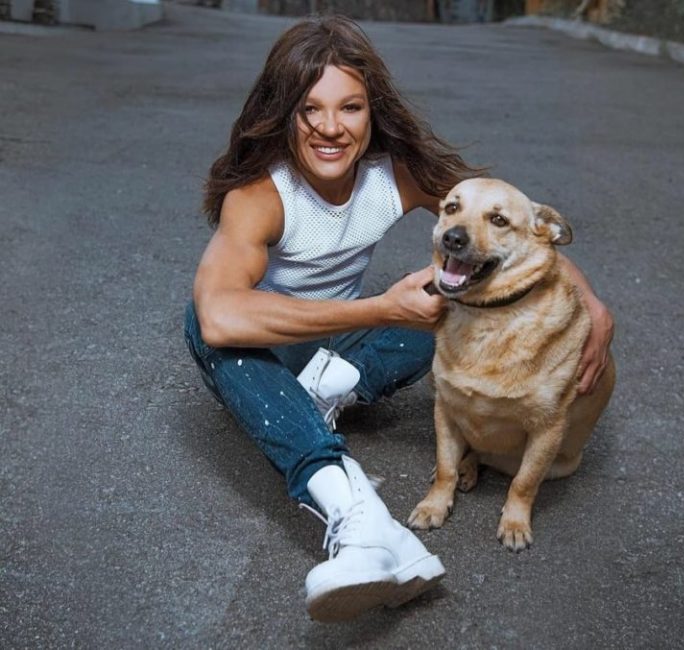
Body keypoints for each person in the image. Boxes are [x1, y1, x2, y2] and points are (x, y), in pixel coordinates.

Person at [184, 14, 614, 622]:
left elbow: (505, 232)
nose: (331, 127)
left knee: (455, 296)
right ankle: (357, 518)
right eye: (310, 109)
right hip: (269, 343)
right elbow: (220, 316)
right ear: (283, 113)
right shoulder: (259, 195)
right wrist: (384, 308)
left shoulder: (398, 174)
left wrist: (593, 306)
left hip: (345, 343)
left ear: (372, 111)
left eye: (350, 107)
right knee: (203, 327)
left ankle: (324, 391)